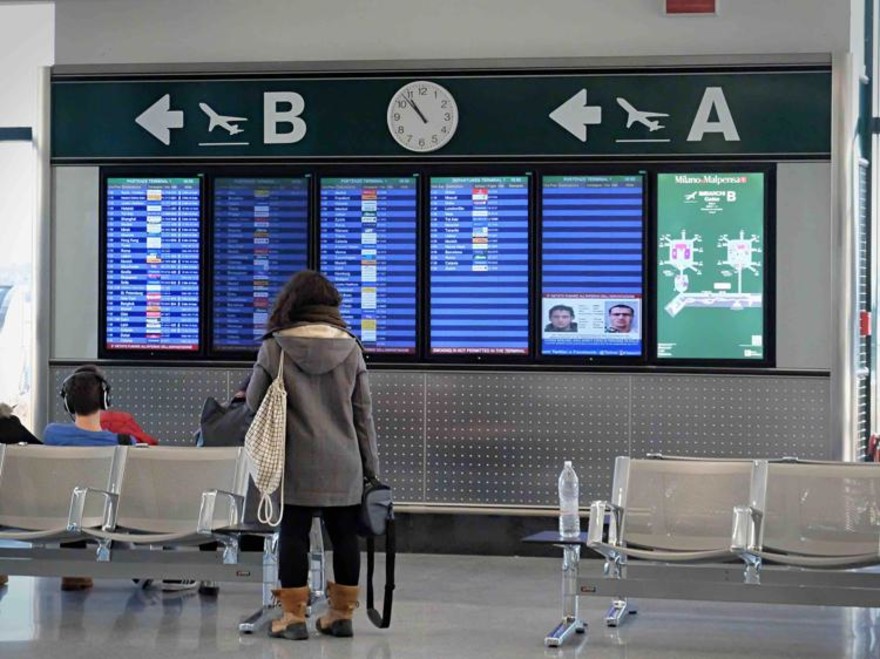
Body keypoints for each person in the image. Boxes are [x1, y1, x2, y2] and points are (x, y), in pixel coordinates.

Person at [246, 270, 379, 641]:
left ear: (292, 304)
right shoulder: (351, 347)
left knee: (293, 535)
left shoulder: (275, 346)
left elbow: (255, 403)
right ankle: (340, 615)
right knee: (345, 537)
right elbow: (362, 415)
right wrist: (371, 470)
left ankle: (292, 617)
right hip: (344, 461)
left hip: (295, 461)